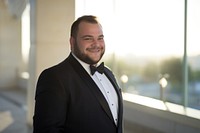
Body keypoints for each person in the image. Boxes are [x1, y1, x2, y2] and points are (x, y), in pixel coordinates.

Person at [33, 15, 123, 133]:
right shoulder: (54, 78)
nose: (96, 44)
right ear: (72, 42)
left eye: (100, 38)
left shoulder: (108, 73)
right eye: (88, 38)